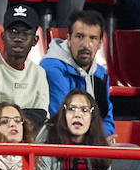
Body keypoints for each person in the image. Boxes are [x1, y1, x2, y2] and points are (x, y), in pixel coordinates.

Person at [41, 10, 116, 140]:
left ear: (99, 44)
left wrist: (100, 139)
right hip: (58, 144)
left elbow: (107, 120)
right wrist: (98, 139)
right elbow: (62, 120)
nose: (86, 45)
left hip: (91, 142)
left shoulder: (99, 74)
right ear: (69, 38)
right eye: (80, 36)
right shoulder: (52, 69)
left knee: (130, 150)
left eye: (93, 38)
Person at [0, 3, 49, 127]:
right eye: (13, 32)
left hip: (29, 138)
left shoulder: (38, 73)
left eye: (25, 33)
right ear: (3, 36)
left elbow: (42, 116)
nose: (18, 38)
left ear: (35, 41)